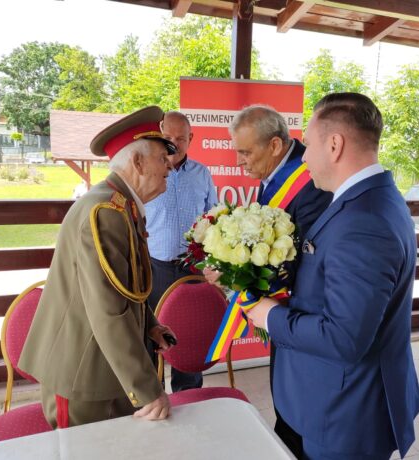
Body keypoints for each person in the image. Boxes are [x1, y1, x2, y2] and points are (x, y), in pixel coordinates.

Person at [246, 93, 419, 459]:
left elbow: (344, 338)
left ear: (335, 145)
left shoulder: (363, 221)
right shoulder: (368, 199)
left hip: (342, 412)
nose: (303, 157)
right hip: (325, 397)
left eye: (308, 144)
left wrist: (269, 316)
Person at [19, 106, 178, 428]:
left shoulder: (119, 204)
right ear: (137, 162)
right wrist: (149, 390)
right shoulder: (106, 211)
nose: (170, 166)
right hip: (82, 372)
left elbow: (126, 288)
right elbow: (108, 309)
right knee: (86, 449)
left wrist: (148, 324)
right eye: (163, 158)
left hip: (102, 365)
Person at [206, 105, 333, 458]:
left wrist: (236, 275)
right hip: (283, 316)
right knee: (286, 400)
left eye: (246, 152)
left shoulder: (310, 183)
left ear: (275, 145)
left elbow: (302, 264)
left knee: (297, 410)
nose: (239, 162)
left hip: (302, 317)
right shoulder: (276, 176)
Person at [144, 110, 218, 392]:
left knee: (189, 335)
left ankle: (189, 397)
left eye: (181, 138)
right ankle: (153, 397)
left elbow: (214, 217)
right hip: (155, 268)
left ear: (191, 138)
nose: (173, 143)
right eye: (168, 137)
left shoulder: (202, 174)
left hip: (192, 269)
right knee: (152, 336)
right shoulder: (147, 172)